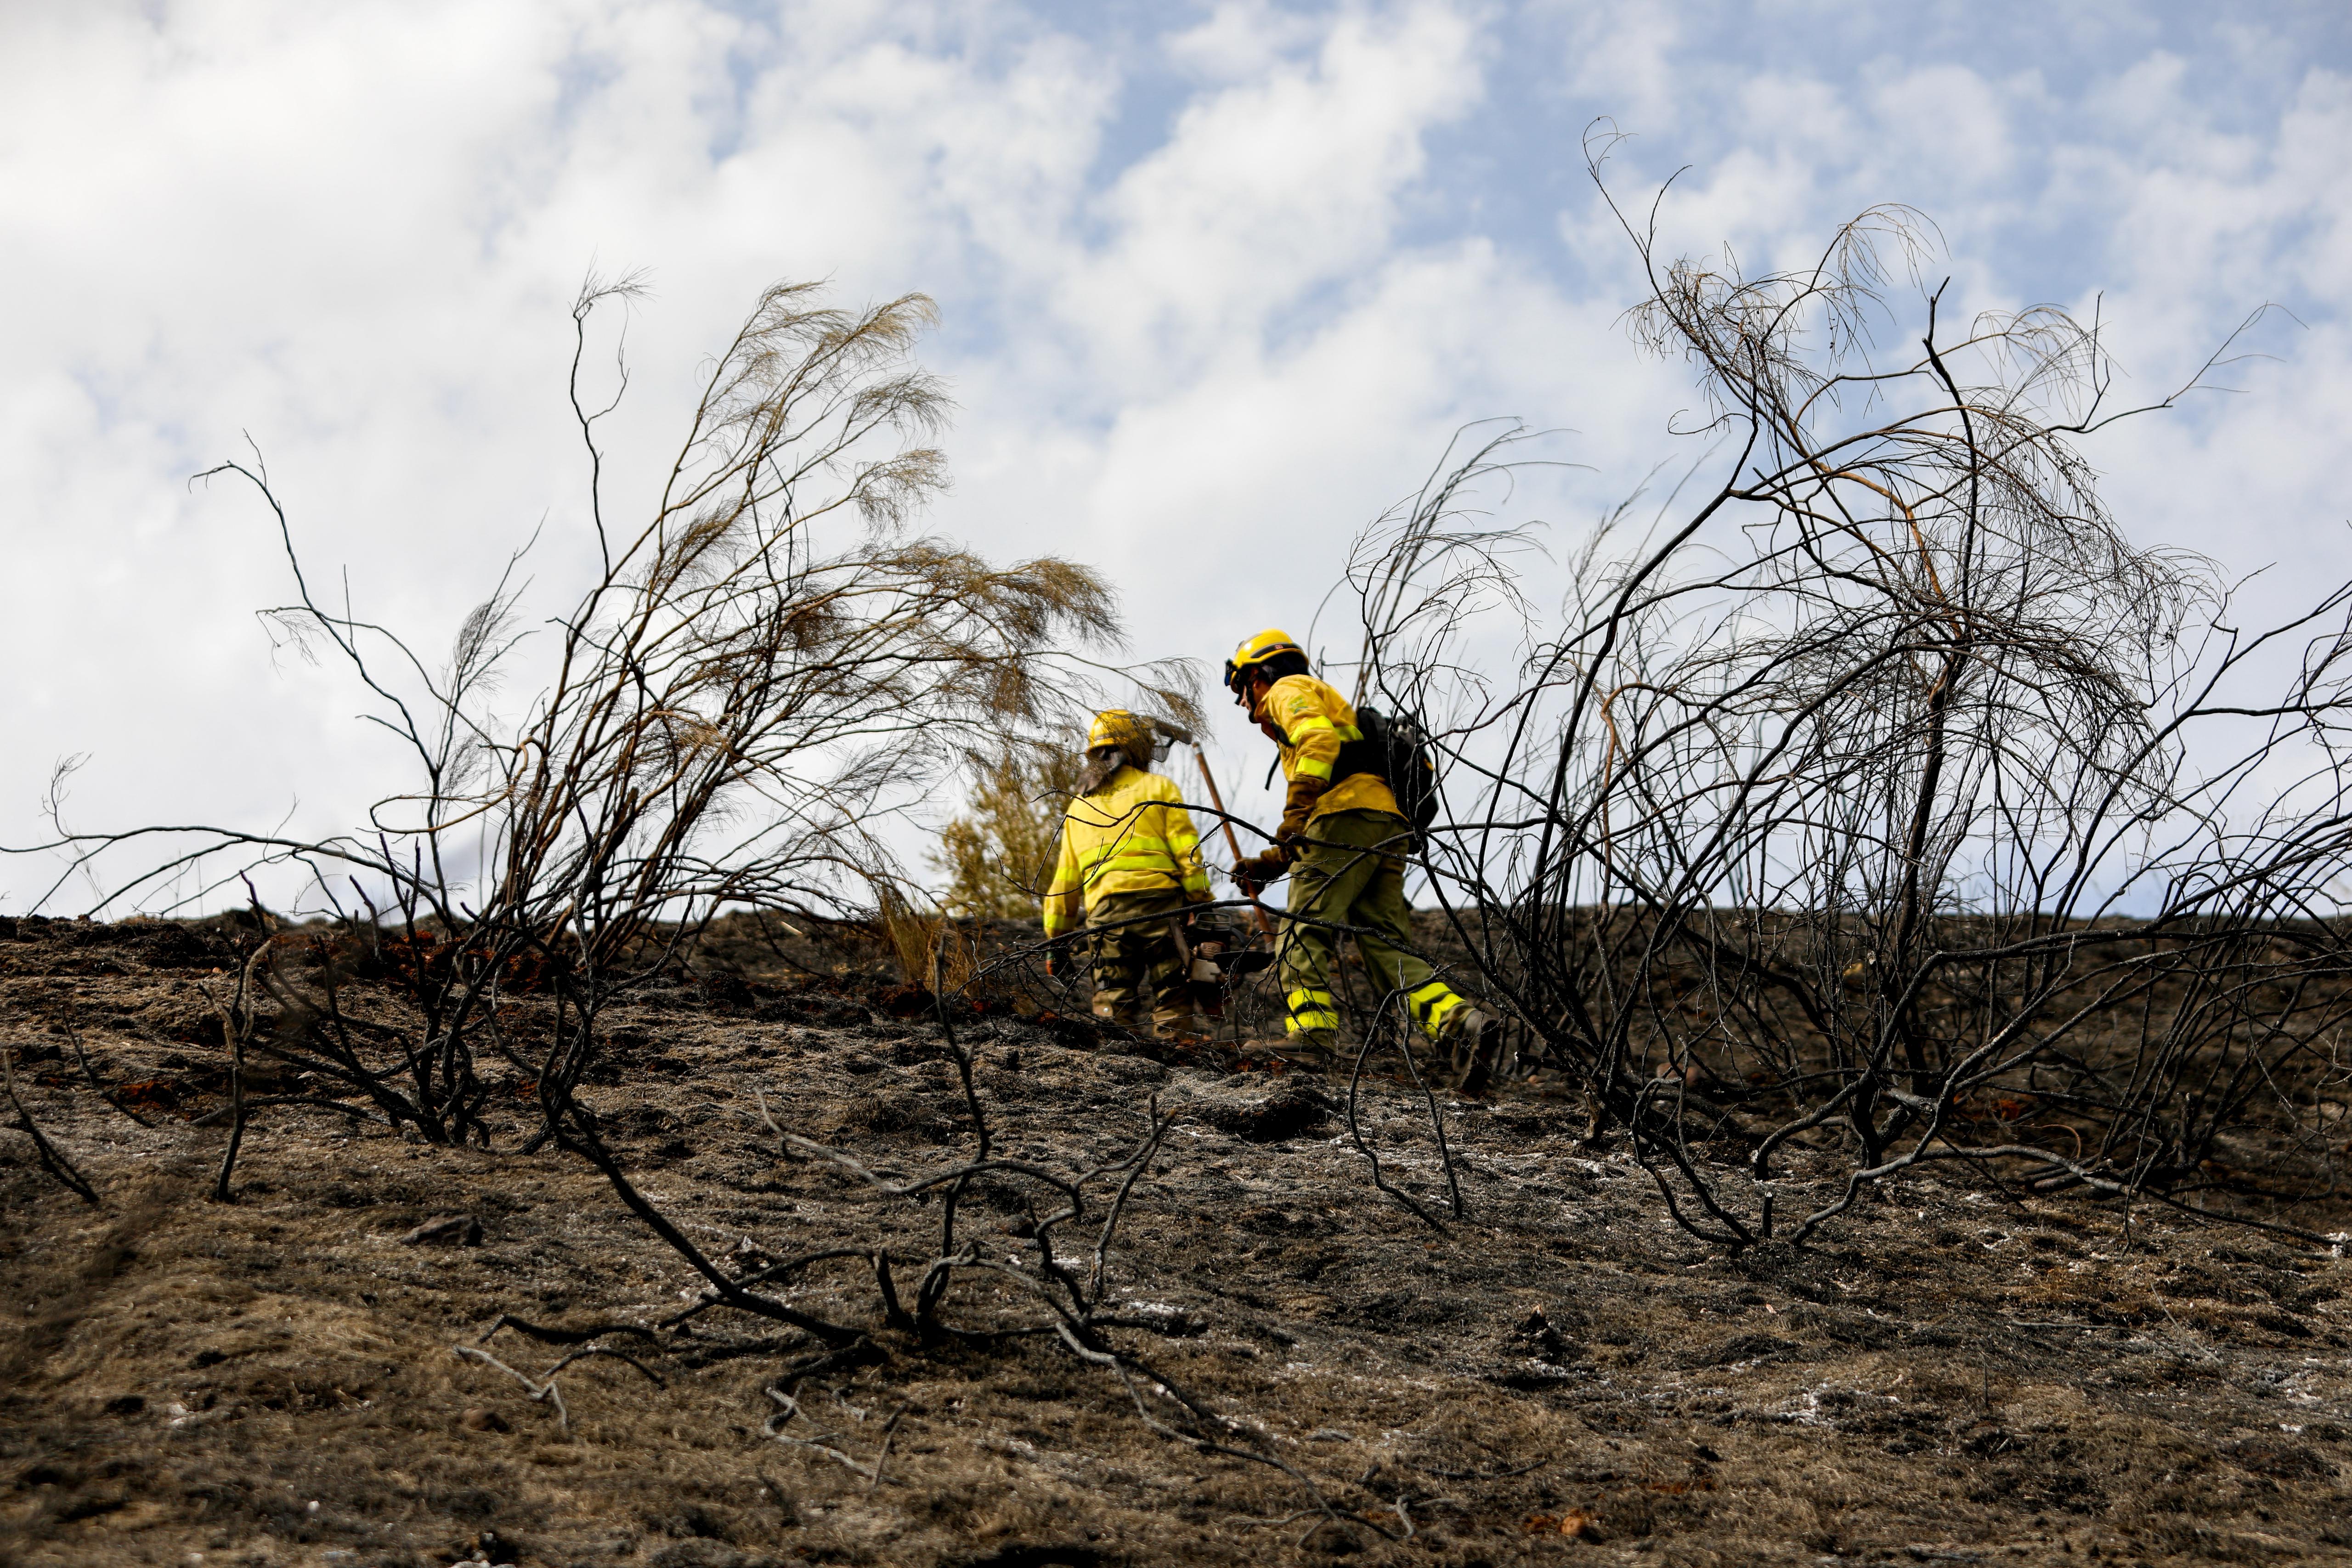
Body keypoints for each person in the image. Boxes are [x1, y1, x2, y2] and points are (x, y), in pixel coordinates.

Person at [1222, 629, 1508, 1092]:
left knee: (1301, 926)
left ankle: (1312, 1035)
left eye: (1242, 689)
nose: (1244, 703)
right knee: (1384, 944)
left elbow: (1316, 744)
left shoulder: (1286, 690)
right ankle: (1460, 1024)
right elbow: (1321, 829)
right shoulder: (1327, 698)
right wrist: (1273, 861)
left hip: (1345, 812)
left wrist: (1295, 812)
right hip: (1384, 821)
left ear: (1257, 674)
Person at [1041, 710, 1212, 1038]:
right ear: (1137, 747)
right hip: (1164, 910)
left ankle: (1119, 1058)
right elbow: (1188, 855)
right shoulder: (1159, 787)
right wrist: (1201, 901)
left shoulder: (1080, 805)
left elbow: (1064, 882)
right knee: (1173, 994)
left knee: (1112, 1001)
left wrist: (1056, 939)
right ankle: (1178, 1057)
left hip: (1107, 917)